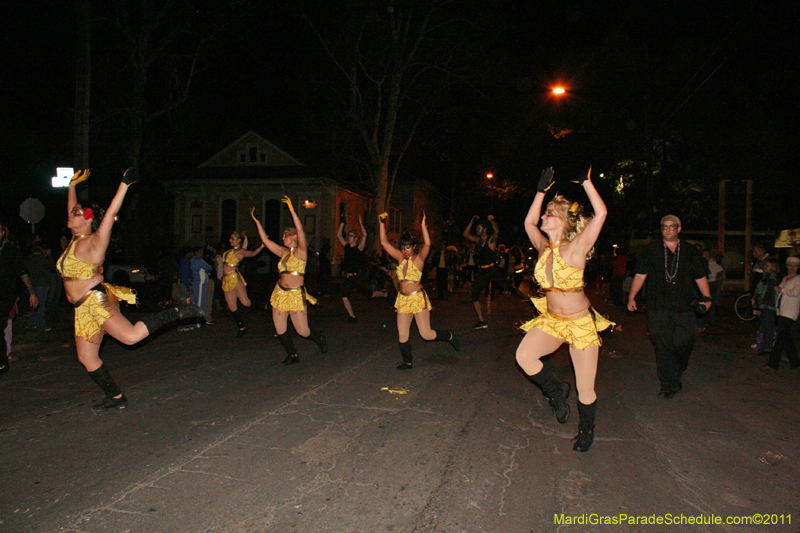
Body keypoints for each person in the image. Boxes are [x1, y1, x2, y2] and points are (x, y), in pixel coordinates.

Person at [57, 169, 203, 409]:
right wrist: (71, 186)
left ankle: (179, 311)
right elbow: (72, 208)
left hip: (96, 301)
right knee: (87, 357)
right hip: (81, 308)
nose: (70, 215)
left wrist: (124, 184)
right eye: (71, 213)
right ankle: (116, 397)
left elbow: (110, 214)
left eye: (76, 213)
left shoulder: (94, 242)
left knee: (131, 337)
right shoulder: (73, 239)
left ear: (88, 219)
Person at [515, 167, 611, 453]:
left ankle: (586, 430)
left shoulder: (577, 247)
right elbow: (528, 222)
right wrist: (540, 191)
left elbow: (601, 214)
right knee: (524, 356)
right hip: (552, 320)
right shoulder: (543, 245)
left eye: (549, 213)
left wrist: (587, 183)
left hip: (580, 323)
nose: (543, 217)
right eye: (545, 212)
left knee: (585, 387)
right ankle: (557, 392)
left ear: (563, 221)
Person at [627, 214, 712, 399]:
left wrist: (707, 298)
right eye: (664, 226)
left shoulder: (690, 251)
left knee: (685, 341)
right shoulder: (651, 250)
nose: (668, 230)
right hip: (658, 305)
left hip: (684, 306)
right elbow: (640, 275)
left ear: (679, 229)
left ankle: (675, 372)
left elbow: (700, 276)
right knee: (662, 344)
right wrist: (632, 296)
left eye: (672, 227)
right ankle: (668, 383)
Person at [379, 212, 459, 370]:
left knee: (426, 334)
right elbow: (383, 242)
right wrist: (382, 223)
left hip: (417, 298)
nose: (406, 250)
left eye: (408, 247)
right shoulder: (400, 258)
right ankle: (408, 361)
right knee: (402, 334)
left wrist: (423, 225)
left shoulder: (419, 259)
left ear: (414, 247)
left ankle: (449, 335)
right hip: (403, 299)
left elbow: (428, 245)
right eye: (403, 247)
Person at [252, 198, 327, 365]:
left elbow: (301, 230)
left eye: (287, 235)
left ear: (294, 237)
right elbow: (265, 241)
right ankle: (292, 354)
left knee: (303, 331)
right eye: (283, 235)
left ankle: (318, 337)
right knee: (280, 329)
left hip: (295, 295)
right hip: (279, 293)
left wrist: (292, 210)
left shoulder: (301, 252)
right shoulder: (283, 252)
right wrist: (257, 222)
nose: (283, 237)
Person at [463, 215, 526, 329]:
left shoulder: (491, 240)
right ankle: (482, 321)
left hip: (492, 270)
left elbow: (497, 231)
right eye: (477, 228)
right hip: (481, 271)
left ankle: (530, 302)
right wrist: (472, 221)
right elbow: (466, 234)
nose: (477, 230)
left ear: (485, 229)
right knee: (474, 295)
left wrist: (491, 220)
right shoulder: (478, 241)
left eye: (479, 228)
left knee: (509, 288)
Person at [0, 221, 39, 374]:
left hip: (5, 295)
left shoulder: (11, 250)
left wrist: (32, 292)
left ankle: (2, 362)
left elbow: (23, 273)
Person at [221, 229, 265, 338]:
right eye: (230, 238)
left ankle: (264, 306)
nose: (230, 240)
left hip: (234, 278)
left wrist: (262, 246)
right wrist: (246, 238)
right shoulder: (229, 252)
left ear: (238, 240)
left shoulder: (240, 252)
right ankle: (242, 328)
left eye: (232, 239)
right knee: (232, 307)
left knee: (245, 302)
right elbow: (244, 246)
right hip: (226, 279)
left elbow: (252, 253)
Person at [766, 256, 800, 370]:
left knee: (780, 338)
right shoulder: (786, 278)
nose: (792, 268)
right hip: (782, 310)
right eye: (790, 265)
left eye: (794, 266)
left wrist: (782, 290)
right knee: (786, 338)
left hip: (790, 311)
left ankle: (773, 363)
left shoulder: (798, 279)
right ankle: (795, 362)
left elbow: (795, 293)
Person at [337, 214, 367, 323]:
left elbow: (364, 235)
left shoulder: (359, 248)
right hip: (348, 277)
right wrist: (342, 222)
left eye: (351, 236)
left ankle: (385, 294)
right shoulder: (346, 247)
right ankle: (352, 317)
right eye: (348, 236)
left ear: (355, 238)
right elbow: (339, 235)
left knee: (369, 294)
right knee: (345, 296)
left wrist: (360, 224)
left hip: (356, 277)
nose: (349, 238)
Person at [753, 258, 779, 356]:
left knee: (767, 327)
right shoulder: (767, 277)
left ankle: (767, 348)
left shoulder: (771, 278)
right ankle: (766, 347)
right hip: (766, 306)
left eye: (767, 266)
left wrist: (759, 306)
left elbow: (767, 294)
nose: (764, 267)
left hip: (768, 306)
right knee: (765, 327)